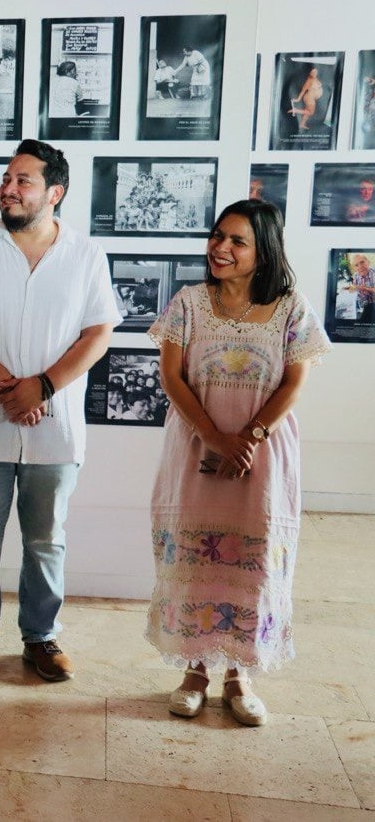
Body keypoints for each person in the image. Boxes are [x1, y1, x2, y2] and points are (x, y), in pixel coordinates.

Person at [0, 139, 121, 684]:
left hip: (55, 430)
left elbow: (99, 334)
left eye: (24, 182)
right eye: (8, 179)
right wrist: (8, 386)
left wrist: (42, 387)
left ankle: (41, 637)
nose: (9, 189)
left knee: (46, 540)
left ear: (54, 193)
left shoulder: (85, 255)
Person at [146, 200, 330, 726]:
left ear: (263, 251)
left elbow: (295, 382)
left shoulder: (291, 307)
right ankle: (195, 672)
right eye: (217, 236)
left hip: (264, 454)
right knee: (194, 560)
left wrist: (248, 437)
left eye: (237, 242)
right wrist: (213, 438)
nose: (220, 248)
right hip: (195, 450)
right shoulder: (188, 303)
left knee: (250, 566)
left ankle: (239, 676)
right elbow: (172, 378)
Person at [288, 67, 324, 132]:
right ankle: (295, 110)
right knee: (310, 112)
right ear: (310, 73)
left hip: (311, 97)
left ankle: (302, 124)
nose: (314, 73)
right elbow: (303, 91)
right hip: (309, 98)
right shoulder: (309, 81)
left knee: (307, 112)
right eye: (312, 72)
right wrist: (298, 99)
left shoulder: (315, 78)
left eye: (315, 71)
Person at [346, 252, 375, 323]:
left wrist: (365, 288)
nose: (360, 266)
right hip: (360, 306)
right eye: (356, 265)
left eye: (362, 262)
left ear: (368, 262)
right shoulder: (356, 275)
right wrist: (350, 289)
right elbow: (355, 288)